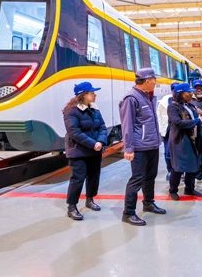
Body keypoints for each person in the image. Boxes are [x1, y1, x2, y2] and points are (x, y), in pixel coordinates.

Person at [119, 68, 167, 226]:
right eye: (154, 80)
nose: (156, 83)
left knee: (150, 176)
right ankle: (128, 212)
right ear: (147, 81)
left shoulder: (150, 96)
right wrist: (128, 148)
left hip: (152, 144)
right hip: (139, 147)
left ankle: (148, 203)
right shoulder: (131, 98)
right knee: (137, 179)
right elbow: (127, 125)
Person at [63, 81, 108, 221]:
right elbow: (74, 132)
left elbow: (102, 127)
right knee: (77, 179)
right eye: (92, 93)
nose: (95, 95)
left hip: (95, 150)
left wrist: (100, 142)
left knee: (94, 176)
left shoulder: (95, 109)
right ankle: (72, 206)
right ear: (83, 95)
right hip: (78, 151)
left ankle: (90, 199)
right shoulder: (71, 111)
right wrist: (93, 144)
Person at [168, 83, 202, 200]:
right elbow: (178, 123)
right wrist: (199, 119)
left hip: (193, 139)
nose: (192, 94)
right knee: (178, 167)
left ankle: (189, 188)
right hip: (180, 140)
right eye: (189, 92)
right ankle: (173, 190)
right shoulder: (173, 107)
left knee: (193, 165)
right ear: (180, 94)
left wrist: (199, 114)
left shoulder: (189, 105)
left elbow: (193, 116)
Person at [158, 82, 179, 181]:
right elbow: (159, 116)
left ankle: (179, 171)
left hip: (180, 130)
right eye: (173, 88)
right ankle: (170, 170)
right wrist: (161, 130)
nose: (175, 90)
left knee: (180, 152)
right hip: (168, 130)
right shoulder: (164, 101)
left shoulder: (186, 100)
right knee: (168, 153)